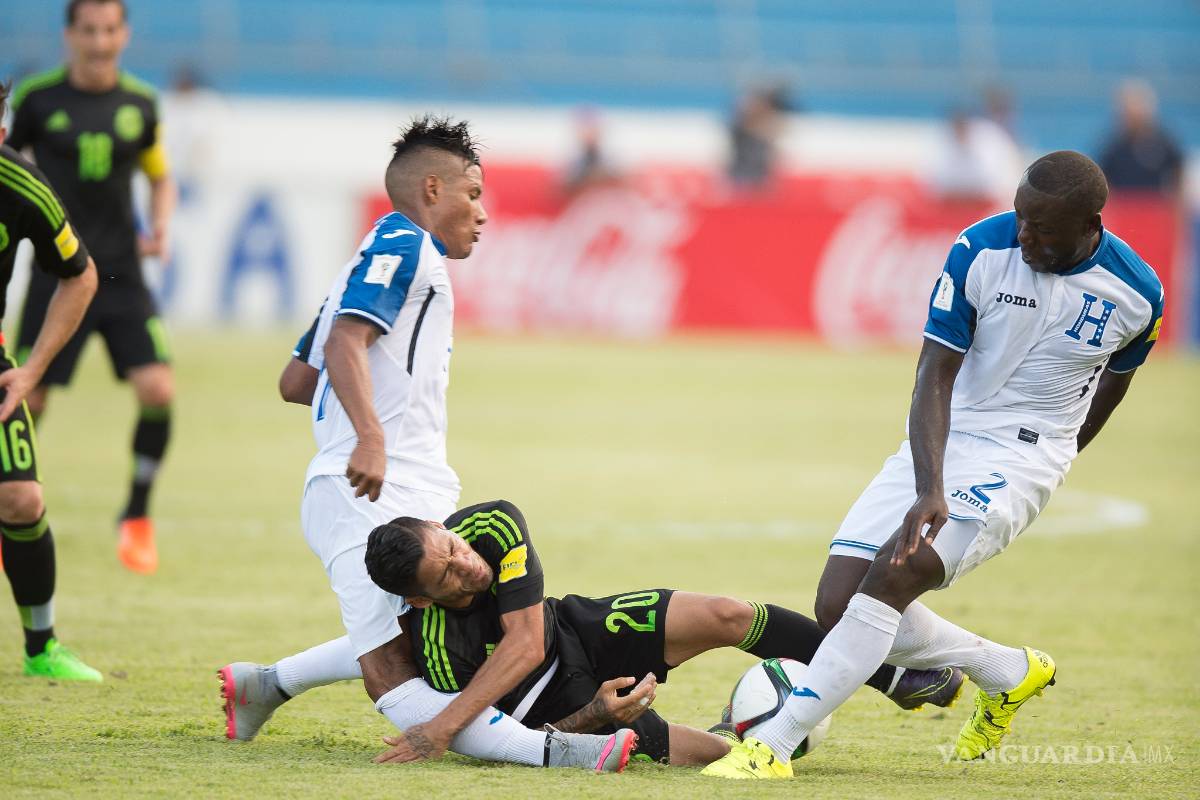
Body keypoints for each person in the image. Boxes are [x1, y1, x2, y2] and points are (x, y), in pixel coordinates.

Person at [704, 151, 1164, 779]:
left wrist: (1051, 456)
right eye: (1021, 216)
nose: (1024, 234)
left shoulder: (1138, 294)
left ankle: (773, 745)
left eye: (1042, 227)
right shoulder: (979, 249)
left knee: (899, 573)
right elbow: (934, 372)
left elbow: (1114, 382)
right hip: (948, 432)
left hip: (1022, 453)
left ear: (1091, 223)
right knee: (838, 603)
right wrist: (932, 485)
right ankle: (1005, 669)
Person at [219, 116, 636, 773]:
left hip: (399, 481)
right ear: (433, 190)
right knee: (391, 668)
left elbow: (297, 381)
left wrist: (369, 412)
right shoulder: (403, 245)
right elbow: (343, 341)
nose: (483, 212)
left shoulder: (368, 257)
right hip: (365, 491)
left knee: (414, 633)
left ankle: (264, 685)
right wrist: (371, 437)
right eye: (472, 195)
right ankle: (560, 753)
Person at [364, 499, 967, 767]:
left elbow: (523, 641)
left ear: (443, 527)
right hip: (569, 703)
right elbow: (518, 741)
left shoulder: (490, 526)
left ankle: (891, 676)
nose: (466, 563)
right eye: (445, 573)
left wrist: (438, 729)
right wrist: (593, 717)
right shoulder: (442, 656)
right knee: (728, 757)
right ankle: (745, 729)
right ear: (422, 600)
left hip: (576, 628)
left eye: (451, 546)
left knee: (727, 613)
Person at [6, 0, 177, 574]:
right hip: (57, 276)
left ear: (123, 34)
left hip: (122, 275)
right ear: (70, 34)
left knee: (157, 389)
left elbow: (160, 175)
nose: (100, 42)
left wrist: (161, 225)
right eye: (90, 31)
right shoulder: (37, 100)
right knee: (25, 400)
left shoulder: (139, 104)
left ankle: (135, 517)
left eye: (110, 30)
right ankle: (12, 511)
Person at [0, 81, 101, 679]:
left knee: (21, 497)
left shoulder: (21, 186)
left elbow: (80, 275)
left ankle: (42, 648)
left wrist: (33, 369)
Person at [1098, 79, 1183, 197]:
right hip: (1124, 208)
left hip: (1154, 206)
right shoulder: (1113, 146)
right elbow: (1103, 177)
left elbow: (1177, 168)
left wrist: (1175, 197)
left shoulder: (1163, 142)